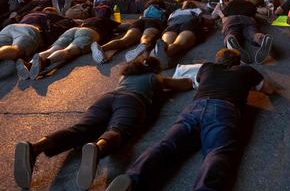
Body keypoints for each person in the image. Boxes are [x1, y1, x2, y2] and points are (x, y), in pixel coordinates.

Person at [104, 49, 279, 191]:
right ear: (238, 61)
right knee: (217, 151)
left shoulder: (208, 68)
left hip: (195, 107)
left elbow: (197, 80)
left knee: (168, 144)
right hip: (224, 109)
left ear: (218, 60)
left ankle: (132, 178)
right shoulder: (246, 71)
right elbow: (269, 90)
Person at [13, 57, 193, 190]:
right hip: (132, 101)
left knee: (81, 129)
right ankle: (97, 149)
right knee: (119, 129)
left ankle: (35, 147)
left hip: (106, 99)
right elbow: (183, 85)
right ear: (155, 69)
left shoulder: (125, 78)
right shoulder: (155, 78)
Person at [212, 0, 273, 64]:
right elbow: (261, 14)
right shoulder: (250, 5)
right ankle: (261, 38)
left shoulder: (228, 3)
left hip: (231, 19)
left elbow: (213, 16)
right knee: (252, 33)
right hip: (248, 19)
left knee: (231, 31)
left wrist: (221, 14)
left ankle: (230, 39)